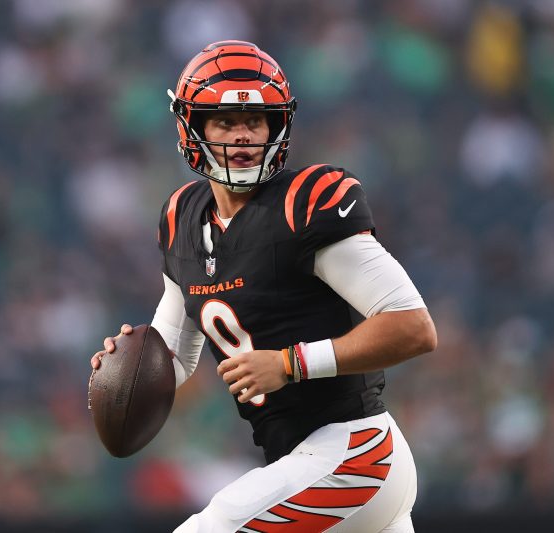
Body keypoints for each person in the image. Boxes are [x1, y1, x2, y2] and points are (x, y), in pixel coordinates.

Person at [90, 41, 437, 533]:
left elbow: (413, 327)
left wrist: (290, 363)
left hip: (355, 454)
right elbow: (175, 355)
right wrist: (125, 365)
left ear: (277, 127)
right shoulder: (182, 217)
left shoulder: (305, 204)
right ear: (193, 127)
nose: (242, 134)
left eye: (255, 120)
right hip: (304, 461)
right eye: (225, 121)